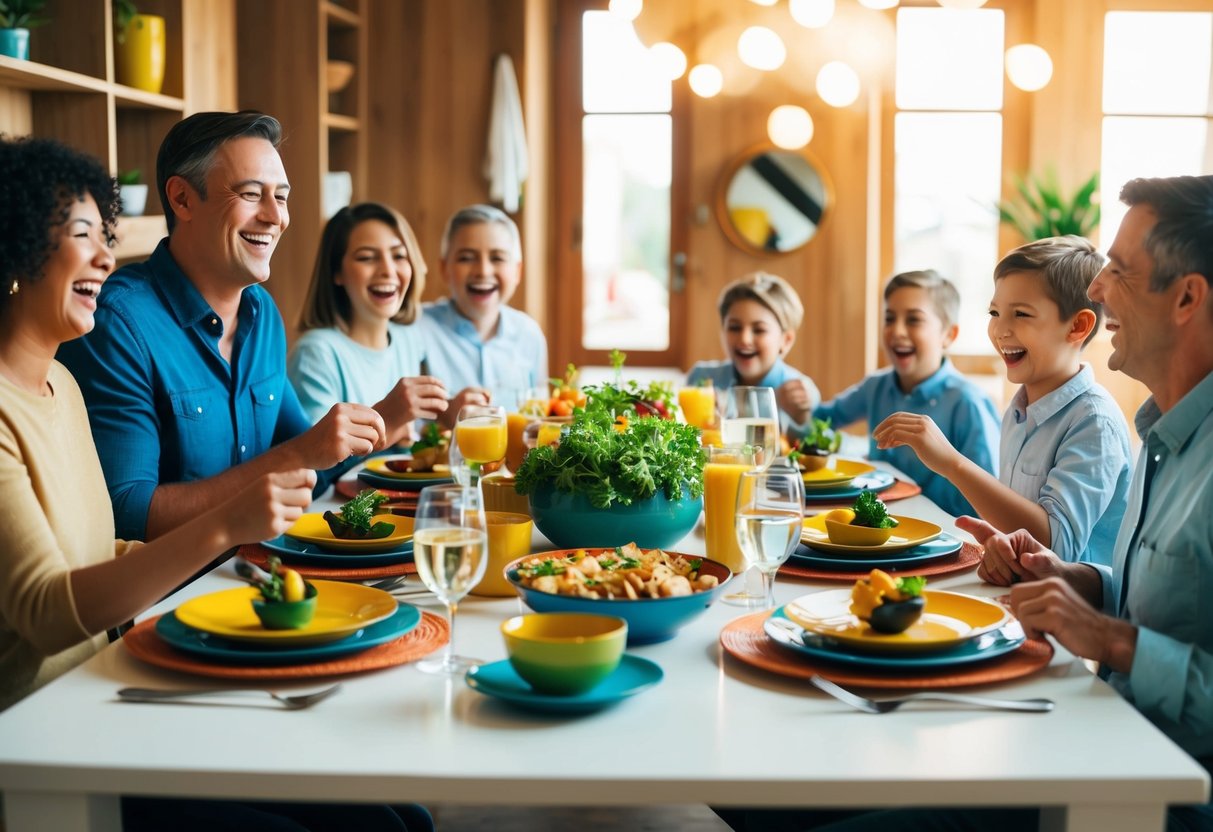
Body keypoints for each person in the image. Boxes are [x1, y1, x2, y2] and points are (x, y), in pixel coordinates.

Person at [725, 175, 1213, 832]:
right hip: (1085, 727)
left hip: (1144, 792)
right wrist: (1075, 580)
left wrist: (1114, 641)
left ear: (1186, 297)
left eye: (1118, 271)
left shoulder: (1125, 431)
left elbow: (1148, 644)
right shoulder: (1162, 436)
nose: (1097, 287)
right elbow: (1160, 598)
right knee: (752, 786)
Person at [0, 136, 312, 709]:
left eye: (105, 237)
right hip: (36, 739)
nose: (105, 259)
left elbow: (105, 551)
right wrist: (224, 526)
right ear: (15, 249)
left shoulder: (59, 386)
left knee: (387, 803)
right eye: (81, 236)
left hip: (110, 688)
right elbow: (45, 615)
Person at [57, 111, 393, 542]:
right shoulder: (118, 323)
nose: (276, 217)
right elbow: (126, 513)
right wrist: (296, 455)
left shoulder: (262, 313)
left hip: (259, 571)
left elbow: (314, 463)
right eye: (251, 194)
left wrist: (385, 419)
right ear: (182, 199)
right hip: (169, 597)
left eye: (282, 196)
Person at [873, 240, 1131, 566]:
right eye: (995, 313)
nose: (1000, 329)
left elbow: (1054, 548)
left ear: (1077, 326)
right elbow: (1014, 534)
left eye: (1020, 314)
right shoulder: (1019, 410)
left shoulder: (1093, 421)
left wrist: (953, 463)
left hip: (1077, 610)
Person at [813, 270, 1000, 516]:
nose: (897, 331)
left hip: (948, 536)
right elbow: (822, 419)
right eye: (890, 319)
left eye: (913, 320)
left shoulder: (969, 402)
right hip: (882, 529)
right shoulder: (876, 386)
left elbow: (989, 496)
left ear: (948, 335)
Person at [287, 202, 451, 442]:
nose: (388, 270)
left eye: (398, 256)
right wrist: (387, 422)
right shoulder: (315, 354)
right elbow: (313, 468)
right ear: (337, 273)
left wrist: (451, 412)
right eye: (366, 258)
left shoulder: (408, 340)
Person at [415, 203, 548, 412]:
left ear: (517, 271)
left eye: (497, 258)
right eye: (466, 258)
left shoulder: (529, 334)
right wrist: (445, 414)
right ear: (444, 269)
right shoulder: (418, 328)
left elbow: (540, 413)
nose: (483, 271)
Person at [687, 271, 821, 437]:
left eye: (759, 330)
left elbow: (816, 448)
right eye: (735, 327)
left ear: (786, 340)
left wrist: (802, 420)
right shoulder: (702, 377)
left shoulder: (801, 393)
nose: (744, 339)